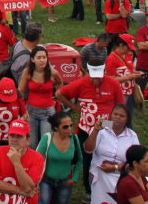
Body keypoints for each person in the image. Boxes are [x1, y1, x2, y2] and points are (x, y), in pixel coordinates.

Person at [56, 63, 124, 197]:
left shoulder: (113, 83)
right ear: (87, 73)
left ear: (104, 72)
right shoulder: (81, 83)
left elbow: (121, 105)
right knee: (87, 159)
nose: (96, 81)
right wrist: (75, 109)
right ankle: (89, 191)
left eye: (99, 78)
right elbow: (59, 94)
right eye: (93, 78)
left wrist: (116, 123)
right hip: (86, 128)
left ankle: (108, 187)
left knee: (106, 156)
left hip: (107, 126)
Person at [85, 105, 140, 200]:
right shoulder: (102, 128)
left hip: (121, 177)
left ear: (127, 120)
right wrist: (95, 130)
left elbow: (135, 162)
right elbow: (88, 149)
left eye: (122, 116)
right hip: (99, 176)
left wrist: (114, 167)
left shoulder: (132, 135)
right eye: (115, 114)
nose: (118, 117)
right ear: (111, 115)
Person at [0, 119, 44, 204]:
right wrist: (21, 191)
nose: (14, 139)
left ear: (28, 140)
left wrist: (16, 162)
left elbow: (28, 188)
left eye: (19, 136)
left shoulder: (37, 158)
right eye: (12, 135)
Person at [18, 45, 62, 149]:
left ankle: (43, 164)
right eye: (39, 58)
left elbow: (60, 83)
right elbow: (20, 92)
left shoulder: (53, 72)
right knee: (32, 144)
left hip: (48, 112)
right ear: (32, 59)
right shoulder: (27, 72)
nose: (42, 60)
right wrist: (23, 110)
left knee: (44, 143)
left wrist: (56, 97)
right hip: (30, 111)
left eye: (44, 57)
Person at [35, 111, 81, 204]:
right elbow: (36, 160)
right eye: (65, 127)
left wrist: (75, 177)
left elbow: (79, 160)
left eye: (71, 125)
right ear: (56, 128)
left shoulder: (75, 139)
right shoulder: (47, 138)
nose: (69, 129)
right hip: (46, 181)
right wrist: (36, 183)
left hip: (65, 182)